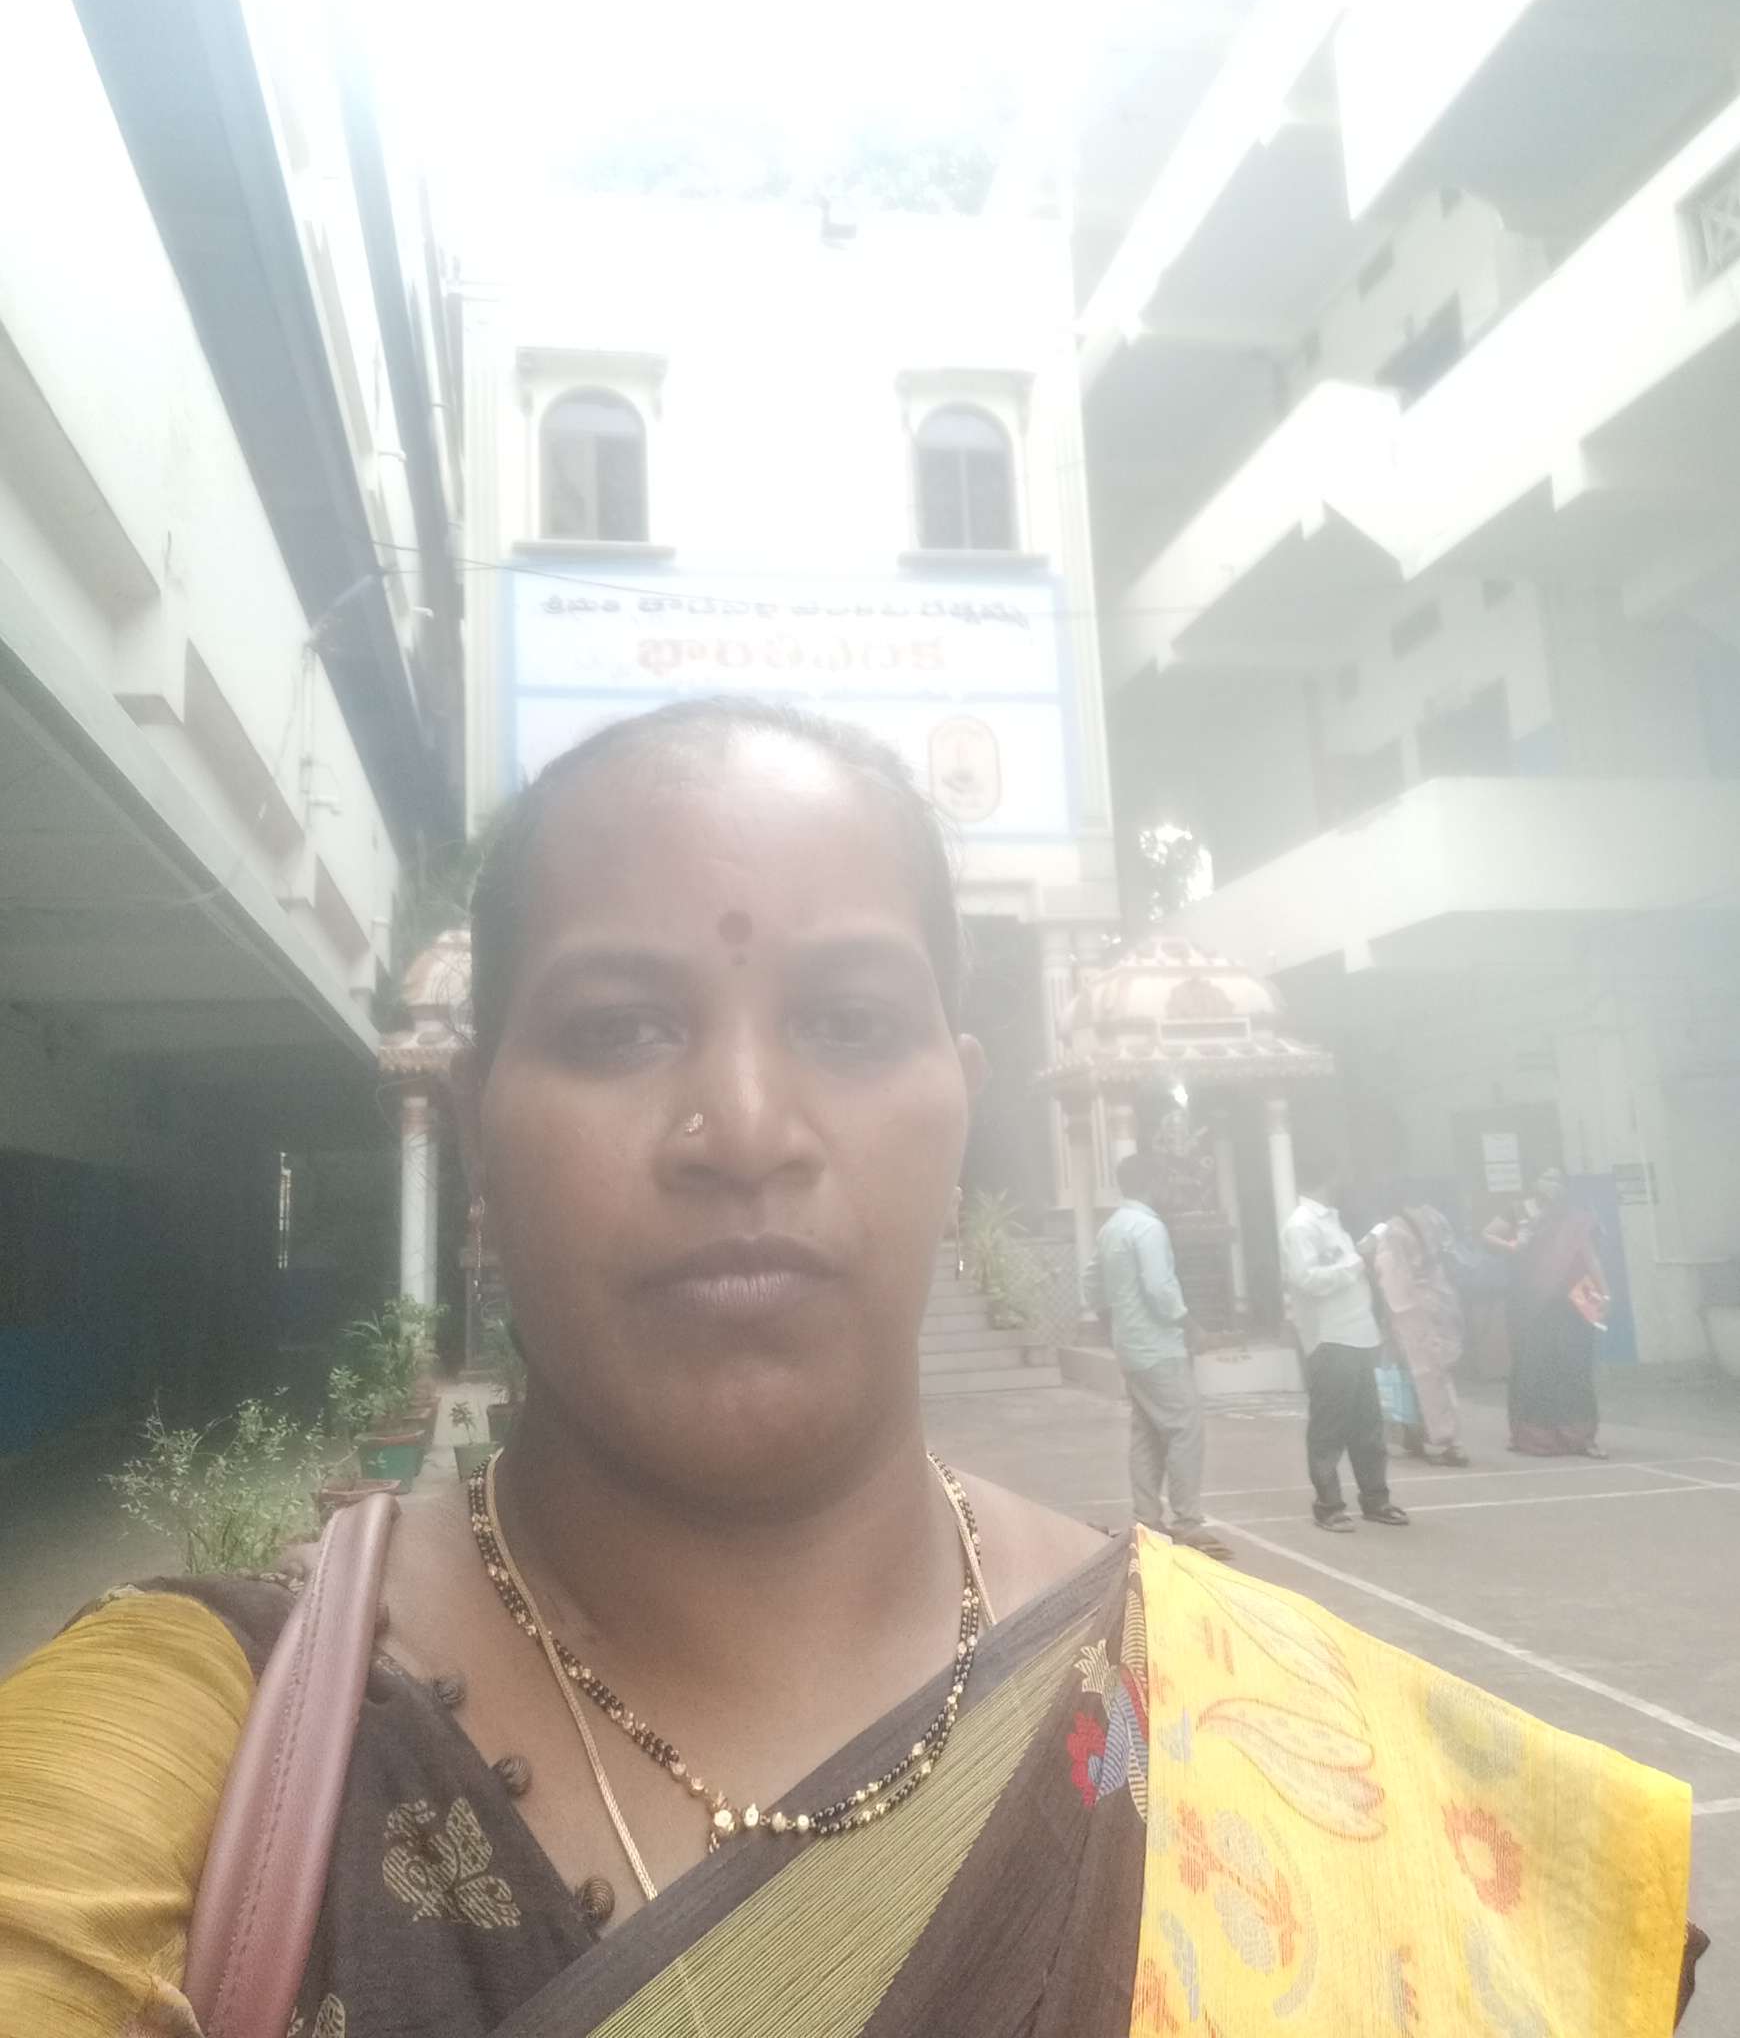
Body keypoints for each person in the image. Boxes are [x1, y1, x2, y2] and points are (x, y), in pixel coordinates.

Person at [0, 700, 1703, 2034]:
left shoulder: (1256, 1726)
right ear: (479, 1142)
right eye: (618, 1028)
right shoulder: (207, 1755)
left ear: (960, 1110)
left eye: (849, 1022)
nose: (746, 1127)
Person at [1092, 1151, 1231, 1561]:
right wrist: (1191, 1327)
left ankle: (1147, 1519)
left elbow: (1091, 1281)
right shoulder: (1149, 1228)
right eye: (1166, 1181)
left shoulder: (1111, 1228)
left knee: (1146, 1433)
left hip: (1130, 1345)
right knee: (1185, 1427)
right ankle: (1187, 1521)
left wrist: (1111, 1322)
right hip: (1158, 1346)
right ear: (1152, 1183)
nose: (1171, 1188)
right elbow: (1159, 1288)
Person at [1281, 1159, 1410, 1533]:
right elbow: (1308, 1280)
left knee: (1367, 1423)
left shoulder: (1332, 1221)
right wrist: (1358, 1260)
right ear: (1328, 1177)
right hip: (1330, 1337)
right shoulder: (1301, 1226)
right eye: (1341, 1175)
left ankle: (1375, 1498)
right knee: (1329, 1426)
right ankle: (1328, 1505)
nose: (1347, 1182)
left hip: (1358, 1333)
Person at [1496, 1167, 1610, 1458]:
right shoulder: (1518, 1212)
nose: (1552, 1185)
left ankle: (1581, 1437)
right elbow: (1489, 1237)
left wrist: (1604, 1293)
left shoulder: (1577, 1218)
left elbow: (1590, 1257)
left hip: (1578, 1299)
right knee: (1533, 1366)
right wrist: (1513, 1245)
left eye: (1558, 1180)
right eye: (1546, 1178)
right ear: (1534, 1181)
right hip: (1532, 1301)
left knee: (1575, 1367)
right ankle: (1533, 1437)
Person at [1369, 1203, 1469, 1467]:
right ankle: (1426, 1436)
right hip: (1441, 1298)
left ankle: (1443, 1440)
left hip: (1411, 1305)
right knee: (1437, 1373)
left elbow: (1391, 1276)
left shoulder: (1391, 1229)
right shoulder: (1434, 1216)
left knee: (1420, 1374)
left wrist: (1390, 1313)